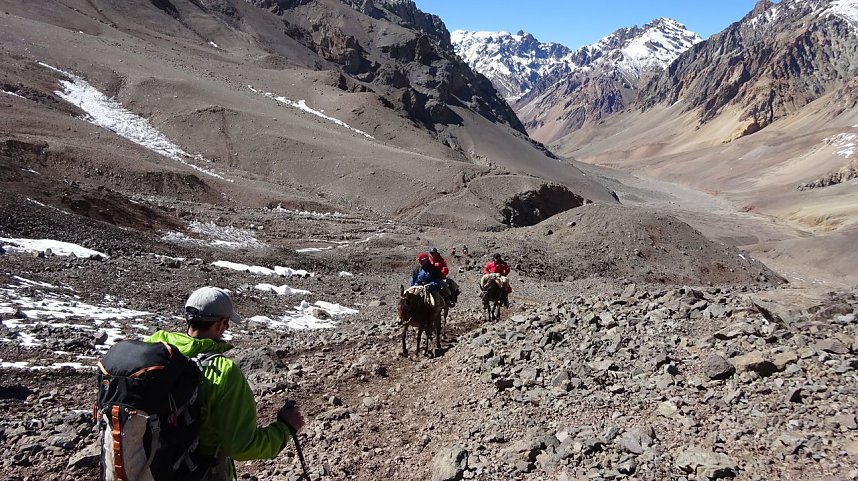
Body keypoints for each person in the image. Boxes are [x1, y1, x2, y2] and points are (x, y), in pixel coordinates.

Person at [146, 287, 305, 481]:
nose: (227, 328)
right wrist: (284, 428)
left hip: (145, 470)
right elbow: (242, 446)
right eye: (226, 322)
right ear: (220, 325)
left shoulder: (154, 353)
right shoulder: (224, 371)